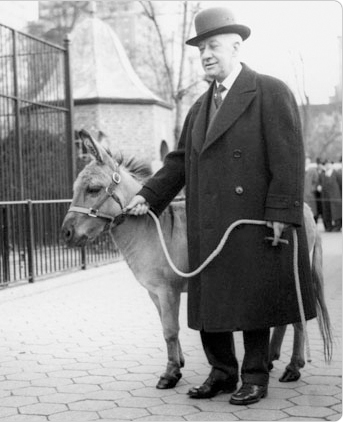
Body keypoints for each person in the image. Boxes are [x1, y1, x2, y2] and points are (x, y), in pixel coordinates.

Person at [125, 7, 316, 406]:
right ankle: (223, 372)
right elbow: (178, 161)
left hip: (250, 223)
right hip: (209, 224)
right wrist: (147, 195)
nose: (206, 54)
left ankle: (255, 375)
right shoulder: (199, 107)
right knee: (212, 300)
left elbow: (288, 158)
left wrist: (282, 213)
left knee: (252, 300)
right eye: (201, 49)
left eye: (213, 46)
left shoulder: (270, 91)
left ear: (236, 46)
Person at [320, 161, 342, 231]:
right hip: (325, 197)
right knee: (327, 211)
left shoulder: (337, 174)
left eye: (328, 164)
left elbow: (341, 185)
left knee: (336, 212)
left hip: (335, 197)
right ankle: (328, 226)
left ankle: (337, 226)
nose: (327, 166)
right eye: (326, 164)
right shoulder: (323, 174)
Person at [304, 157, 319, 222]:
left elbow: (316, 181)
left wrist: (312, 189)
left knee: (312, 209)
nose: (306, 162)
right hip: (303, 194)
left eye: (308, 161)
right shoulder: (302, 170)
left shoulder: (313, 170)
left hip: (310, 194)